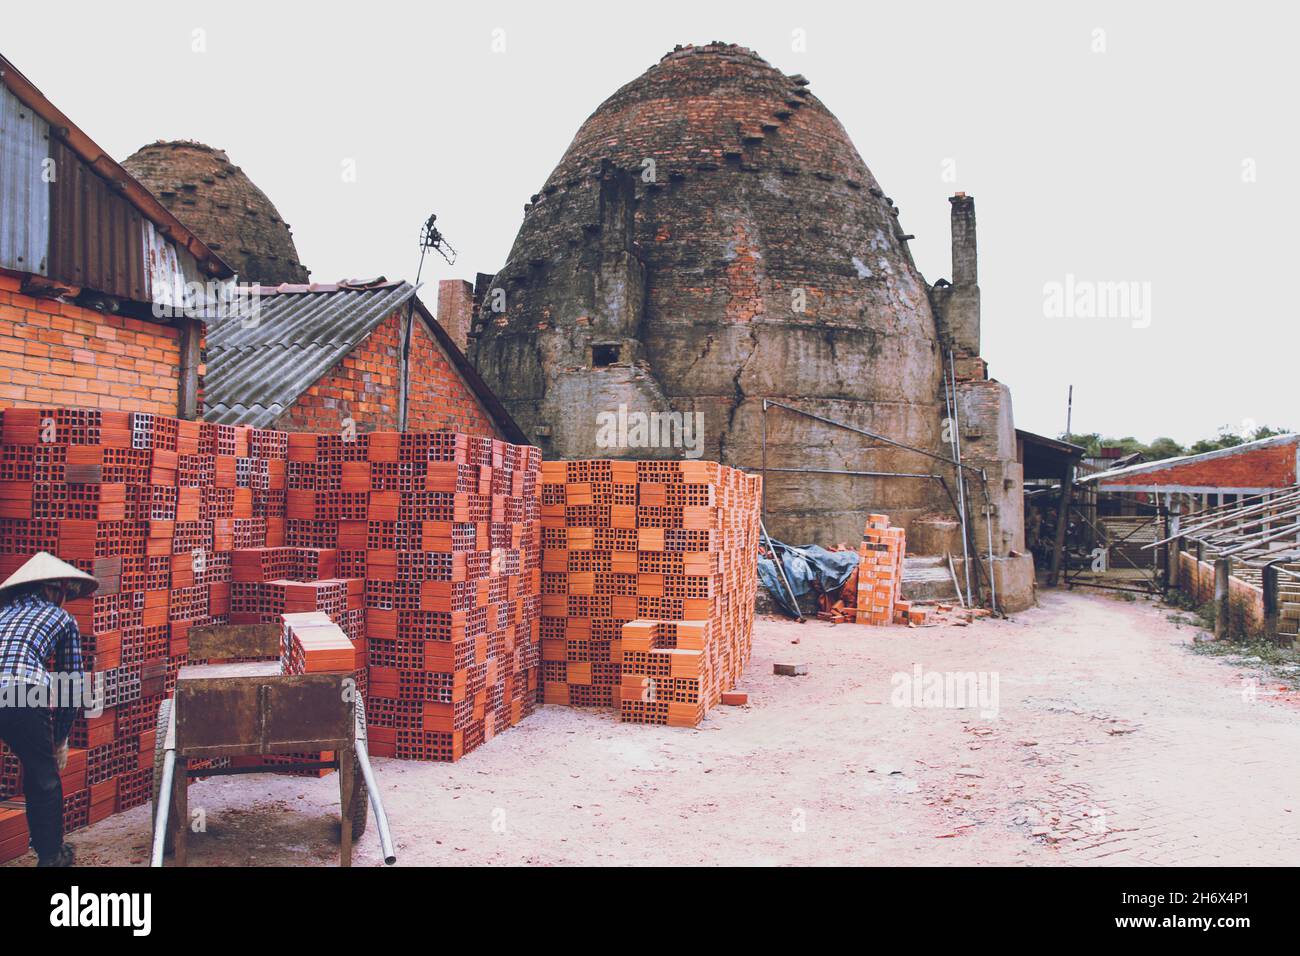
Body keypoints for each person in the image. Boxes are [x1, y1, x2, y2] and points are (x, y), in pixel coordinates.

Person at [0, 552, 97, 867]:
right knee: (42, 777)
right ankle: (51, 856)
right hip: (21, 692)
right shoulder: (61, 618)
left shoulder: (2, 614)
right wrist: (60, 738)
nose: (65, 601)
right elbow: (70, 685)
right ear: (52, 590)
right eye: (65, 594)